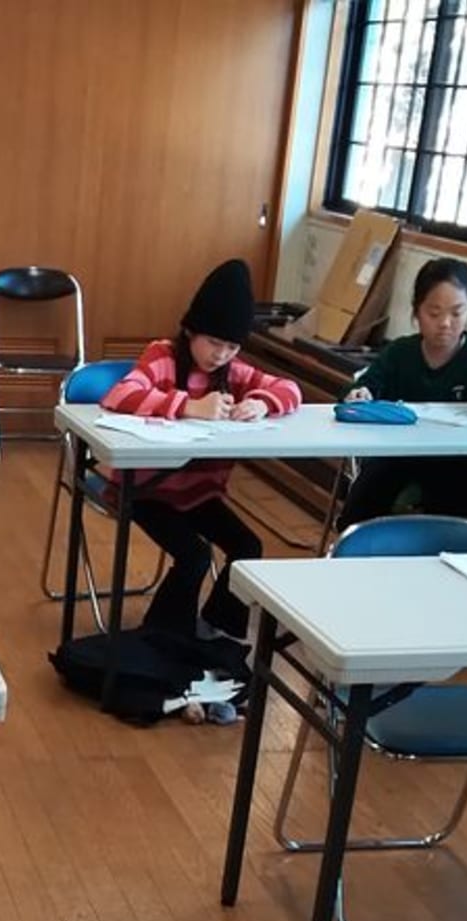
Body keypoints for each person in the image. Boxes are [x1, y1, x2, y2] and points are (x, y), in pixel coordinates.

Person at [100, 259, 302, 640]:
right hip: (146, 492)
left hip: (198, 494)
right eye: (213, 343)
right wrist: (188, 406)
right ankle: (162, 638)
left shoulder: (234, 372)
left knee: (248, 546)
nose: (220, 355)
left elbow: (289, 389)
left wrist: (262, 403)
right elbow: (120, 395)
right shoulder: (162, 356)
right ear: (191, 331)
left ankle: (215, 629)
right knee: (195, 556)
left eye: (232, 346)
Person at [338, 257, 467, 528]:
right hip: (400, 459)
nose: (445, 323)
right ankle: (424, 509)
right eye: (434, 313)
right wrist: (358, 393)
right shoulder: (400, 352)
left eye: (457, 313)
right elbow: (360, 388)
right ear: (417, 313)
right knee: (353, 517)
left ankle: (424, 506)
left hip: (461, 463)